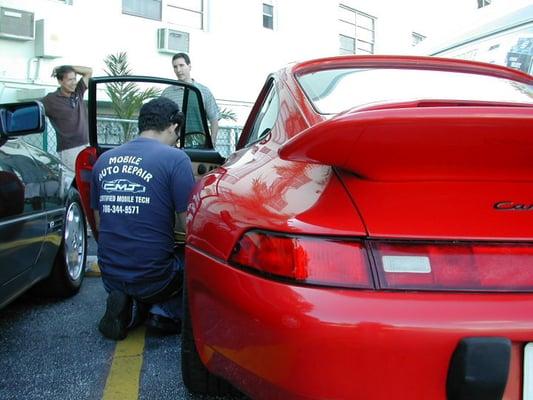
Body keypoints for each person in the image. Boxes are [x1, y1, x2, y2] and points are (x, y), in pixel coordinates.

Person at [90, 97, 195, 340]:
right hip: (155, 278)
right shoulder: (175, 158)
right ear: (173, 126)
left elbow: (98, 224)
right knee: (198, 262)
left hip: (110, 275)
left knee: (141, 271)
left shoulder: (103, 160)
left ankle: (129, 305)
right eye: (177, 134)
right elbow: (188, 227)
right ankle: (163, 312)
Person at [161, 52, 221, 143]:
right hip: (173, 145)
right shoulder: (167, 93)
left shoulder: (203, 91)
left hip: (198, 145)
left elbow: (214, 119)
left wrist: (212, 142)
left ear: (189, 66)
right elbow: (161, 120)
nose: (178, 70)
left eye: (181, 65)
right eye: (175, 67)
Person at [42, 65, 92, 170]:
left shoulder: (78, 91)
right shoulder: (50, 100)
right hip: (69, 149)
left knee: (86, 179)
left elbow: (88, 71)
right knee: (73, 181)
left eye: (74, 79)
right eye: (69, 80)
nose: (73, 82)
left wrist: (67, 67)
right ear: (60, 81)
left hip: (86, 145)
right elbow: (33, 109)